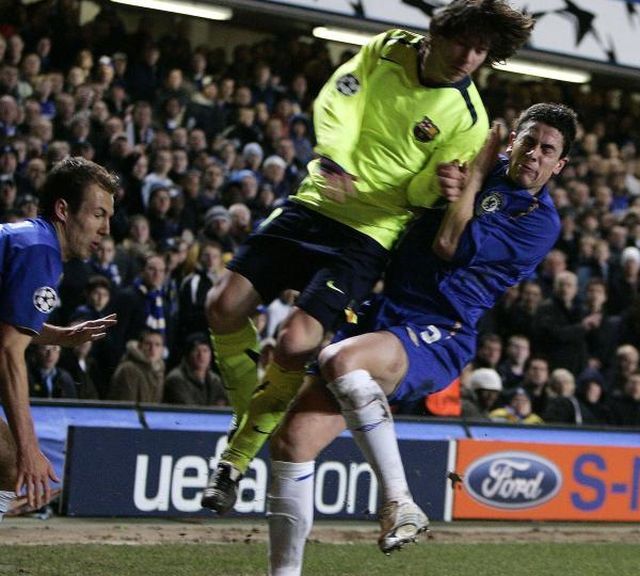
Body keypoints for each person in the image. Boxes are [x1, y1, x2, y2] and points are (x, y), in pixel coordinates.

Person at [202, 0, 534, 513]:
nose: (470, 57)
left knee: (294, 342)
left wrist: (440, 185)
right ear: (439, 31)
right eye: (463, 42)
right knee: (222, 306)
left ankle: (235, 457)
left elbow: (424, 192)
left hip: (370, 232)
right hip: (316, 200)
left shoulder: (470, 118)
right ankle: (248, 417)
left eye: (482, 50)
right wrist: (333, 154)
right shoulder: (388, 48)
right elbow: (340, 96)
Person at [266, 103, 574, 571]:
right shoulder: (480, 168)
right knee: (292, 442)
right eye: (528, 141)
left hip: (440, 327)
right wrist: (448, 178)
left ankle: (398, 500)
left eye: (547, 149)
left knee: (340, 360)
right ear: (513, 141)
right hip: (386, 310)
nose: (533, 154)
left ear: (559, 164)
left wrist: (471, 177)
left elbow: (449, 244)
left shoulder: (537, 220)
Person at [0, 157, 118, 522]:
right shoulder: (40, 252)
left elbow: (7, 328)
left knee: (4, 460)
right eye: (98, 214)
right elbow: (7, 351)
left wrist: (58, 335)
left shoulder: (30, 241)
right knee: (10, 457)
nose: (106, 229)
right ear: (64, 209)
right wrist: (30, 447)